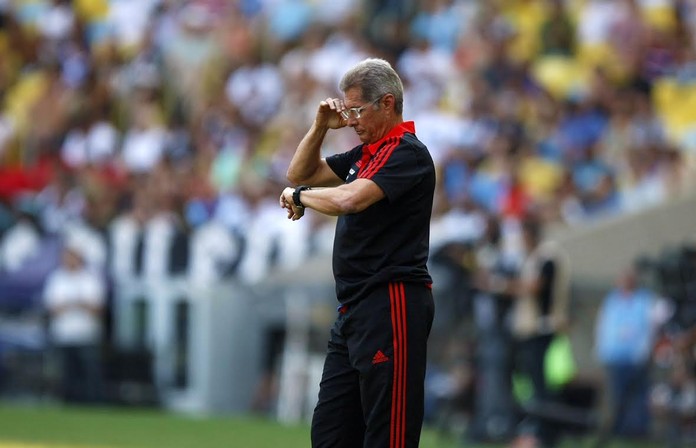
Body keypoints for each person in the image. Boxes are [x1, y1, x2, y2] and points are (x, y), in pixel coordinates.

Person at [279, 58, 436, 448]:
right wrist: (318, 126)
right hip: (353, 310)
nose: (350, 121)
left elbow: (350, 199)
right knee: (330, 435)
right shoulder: (364, 155)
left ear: (387, 103)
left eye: (357, 111)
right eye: (347, 112)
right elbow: (299, 173)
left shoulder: (407, 153)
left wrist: (302, 198)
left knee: (389, 436)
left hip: (392, 302)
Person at [43, 237, 107, 403]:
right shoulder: (56, 278)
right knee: (66, 372)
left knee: (90, 372)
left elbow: (97, 308)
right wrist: (78, 303)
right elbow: (52, 308)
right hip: (63, 333)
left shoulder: (90, 279)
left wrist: (72, 304)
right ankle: (67, 402)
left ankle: (94, 402)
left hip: (86, 333)